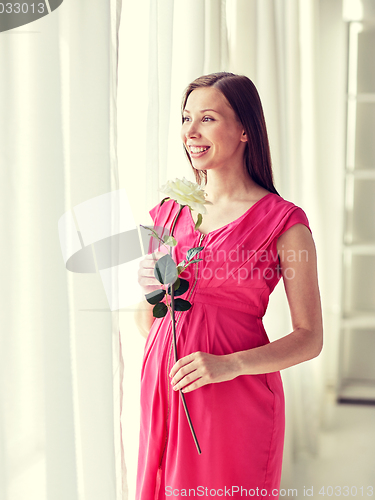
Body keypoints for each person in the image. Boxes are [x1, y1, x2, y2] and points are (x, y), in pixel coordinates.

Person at [134, 72, 323, 500]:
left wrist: (227, 365)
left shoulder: (285, 223)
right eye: (186, 118)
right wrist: (170, 340)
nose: (191, 132)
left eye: (207, 118)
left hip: (235, 396)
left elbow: (310, 338)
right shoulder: (167, 212)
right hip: (167, 388)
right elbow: (147, 314)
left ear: (244, 130)